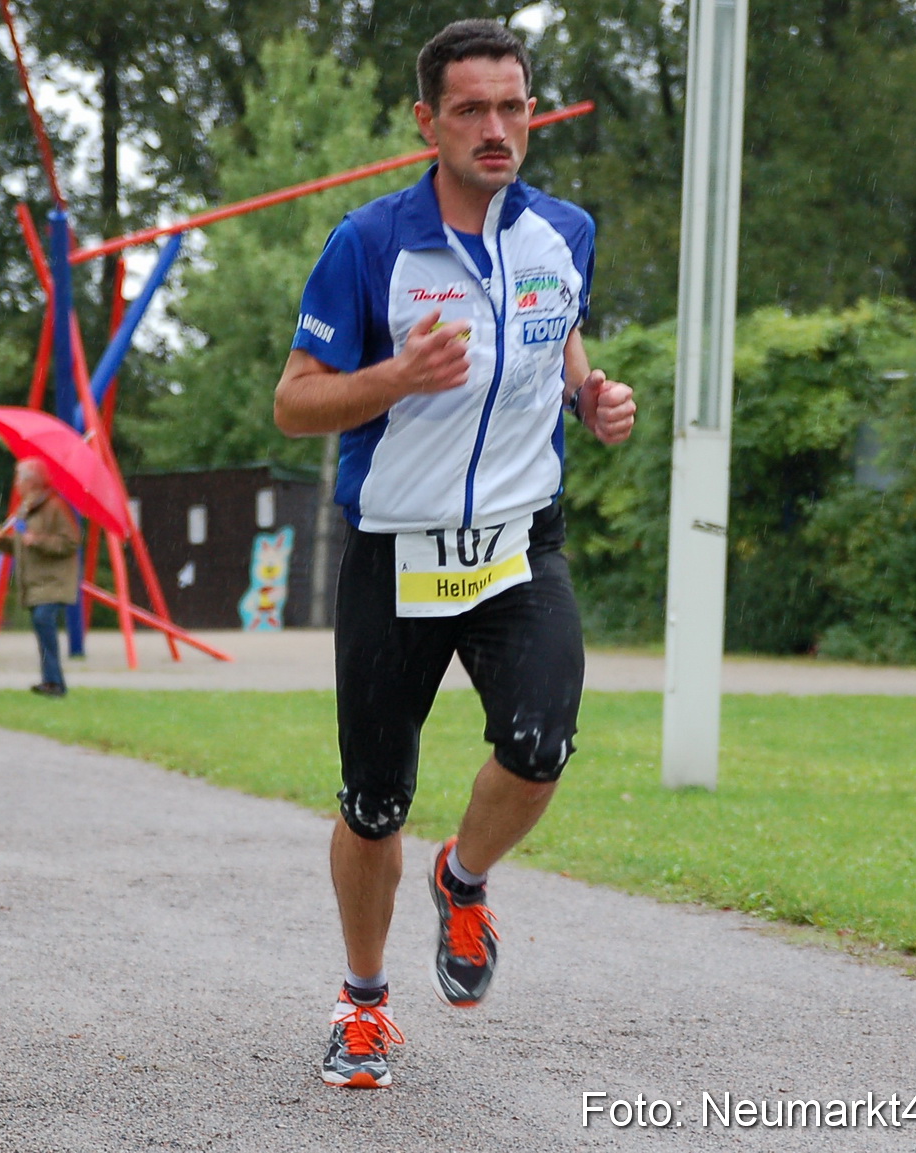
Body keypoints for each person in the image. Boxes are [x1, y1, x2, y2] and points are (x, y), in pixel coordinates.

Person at [272, 20, 637, 1090]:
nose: (496, 128)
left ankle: (464, 878)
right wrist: (394, 379)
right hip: (397, 550)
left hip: (521, 541)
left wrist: (588, 391)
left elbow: (555, 325)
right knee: (373, 798)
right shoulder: (369, 245)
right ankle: (365, 1000)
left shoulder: (565, 231)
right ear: (425, 121)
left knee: (540, 743)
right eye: (471, 109)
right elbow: (295, 403)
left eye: (512, 106)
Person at [0, 459, 80, 696]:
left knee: (43, 621)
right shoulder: (25, 508)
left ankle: (55, 683)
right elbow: (22, 545)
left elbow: (71, 542)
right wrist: (2, 542)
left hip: (53, 581)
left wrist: (38, 540)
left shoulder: (55, 506)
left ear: (31, 481)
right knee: (42, 627)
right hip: (35, 582)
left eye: (19, 477)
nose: (16, 483)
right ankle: (51, 681)